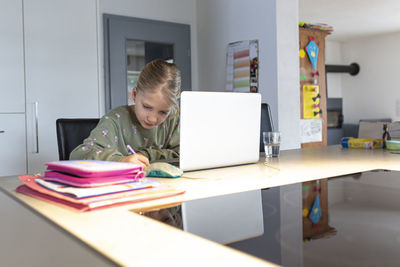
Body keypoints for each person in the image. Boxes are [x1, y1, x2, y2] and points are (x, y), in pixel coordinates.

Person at [70, 59, 181, 169]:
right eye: (147, 107)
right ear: (134, 94)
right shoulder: (114, 120)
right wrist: (120, 160)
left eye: (163, 112)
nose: (152, 119)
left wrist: (146, 155)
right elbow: (77, 156)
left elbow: (183, 154)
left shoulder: (172, 119)